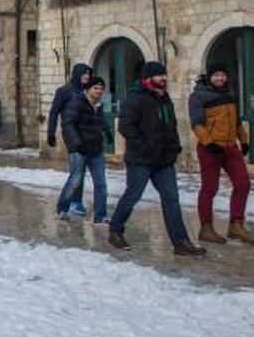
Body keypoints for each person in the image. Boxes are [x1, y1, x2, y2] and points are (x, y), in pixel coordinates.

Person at [107, 61, 206, 255]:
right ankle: (115, 231)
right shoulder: (135, 98)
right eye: (160, 75)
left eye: (165, 75)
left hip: (163, 160)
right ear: (148, 78)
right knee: (133, 195)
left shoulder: (164, 97)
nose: (164, 78)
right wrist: (144, 146)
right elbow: (126, 127)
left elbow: (172, 124)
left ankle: (180, 242)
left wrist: (174, 147)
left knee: (172, 199)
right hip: (141, 159)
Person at [189, 62, 251, 243]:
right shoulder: (198, 96)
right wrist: (208, 143)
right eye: (216, 75)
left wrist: (244, 140)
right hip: (210, 149)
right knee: (210, 188)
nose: (220, 78)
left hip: (230, 147)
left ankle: (236, 225)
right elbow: (196, 123)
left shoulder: (230, 93)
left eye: (223, 75)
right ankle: (206, 228)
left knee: (243, 183)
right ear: (209, 76)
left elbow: (236, 121)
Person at [57, 75, 109, 223]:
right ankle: (62, 209)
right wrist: (75, 144)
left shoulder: (99, 106)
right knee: (75, 180)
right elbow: (68, 124)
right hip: (79, 150)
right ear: (88, 89)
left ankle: (100, 216)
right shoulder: (76, 103)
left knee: (101, 183)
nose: (99, 91)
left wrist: (108, 133)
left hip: (96, 150)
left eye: (101, 89)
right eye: (96, 88)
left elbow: (101, 122)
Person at [46, 63, 93, 217]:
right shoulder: (64, 91)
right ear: (77, 74)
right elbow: (54, 112)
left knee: (79, 171)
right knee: (77, 172)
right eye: (84, 73)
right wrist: (51, 133)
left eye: (89, 73)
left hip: (87, 135)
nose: (87, 76)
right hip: (72, 136)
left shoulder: (88, 92)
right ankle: (67, 205)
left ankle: (76, 202)